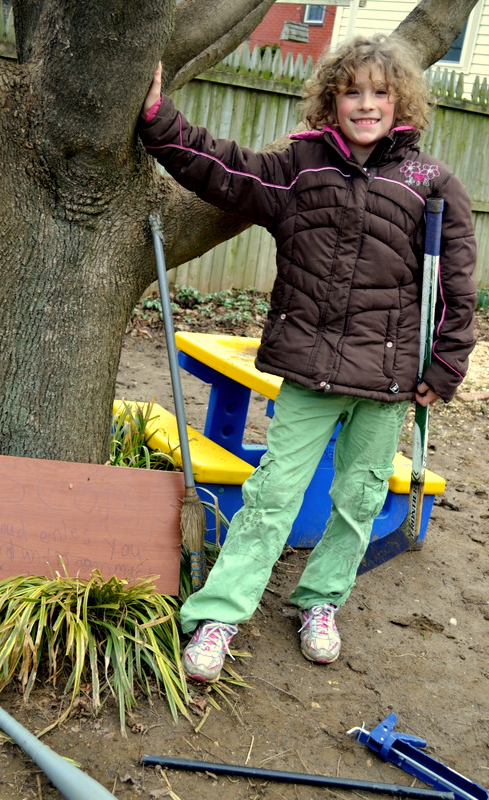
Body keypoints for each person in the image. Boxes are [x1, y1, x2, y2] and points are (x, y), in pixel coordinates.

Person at [139, 34, 477, 681]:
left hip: (388, 381)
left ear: (401, 101)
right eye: (353, 92)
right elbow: (222, 168)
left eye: (380, 92)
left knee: (358, 499)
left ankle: (319, 600)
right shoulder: (300, 167)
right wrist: (159, 122)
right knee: (272, 494)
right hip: (310, 372)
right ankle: (220, 613)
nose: (366, 104)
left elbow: (456, 291)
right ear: (332, 100)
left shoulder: (430, 183)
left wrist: (446, 368)